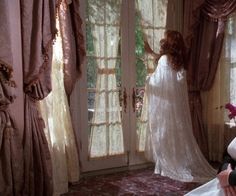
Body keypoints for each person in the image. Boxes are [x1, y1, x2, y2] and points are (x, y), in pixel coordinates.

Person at [144, 30, 216, 182]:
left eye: (164, 37)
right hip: (175, 109)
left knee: (164, 135)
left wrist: (148, 78)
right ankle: (174, 163)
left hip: (165, 108)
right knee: (173, 136)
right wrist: (152, 53)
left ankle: (165, 165)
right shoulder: (178, 62)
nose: (162, 39)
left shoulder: (164, 60)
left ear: (168, 42)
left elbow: (158, 82)